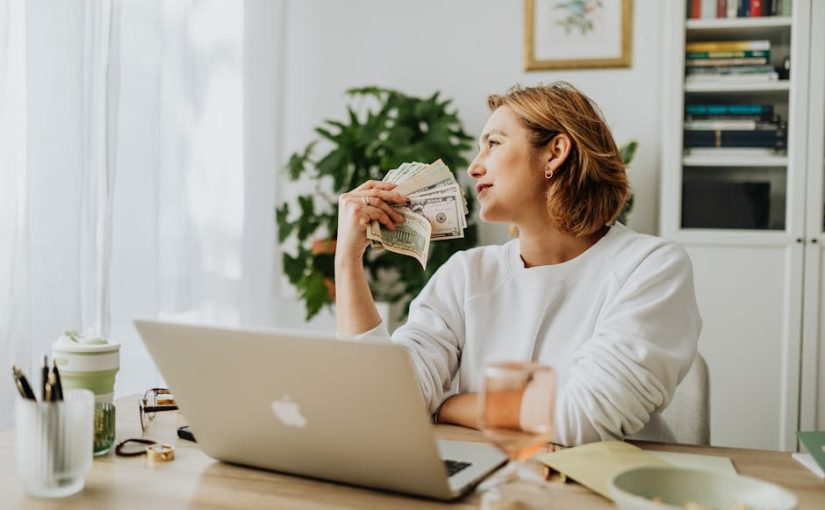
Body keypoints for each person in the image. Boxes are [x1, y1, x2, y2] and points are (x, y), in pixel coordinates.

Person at [334, 82, 702, 446]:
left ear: (554, 152)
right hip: (490, 487)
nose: (474, 167)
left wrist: (450, 405)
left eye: (493, 144)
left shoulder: (651, 266)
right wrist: (347, 260)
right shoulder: (466, 274)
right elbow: (386, 400)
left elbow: (583, 418)